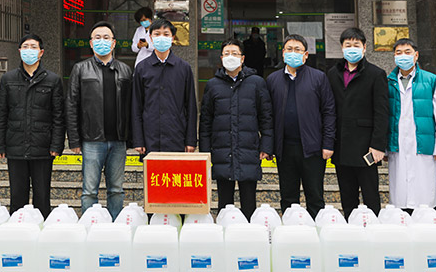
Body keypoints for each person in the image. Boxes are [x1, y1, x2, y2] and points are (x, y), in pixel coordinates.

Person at [65, 21, 133, 220]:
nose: (101, 41)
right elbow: (71, 105)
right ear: (91, 43)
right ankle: (90, 226)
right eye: (97, 37)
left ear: (113, 43)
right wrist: (74, 140)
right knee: (89, 191)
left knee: (116, 190)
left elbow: (131, 106)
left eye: (106, 37)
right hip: (91, 139)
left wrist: (131, 138)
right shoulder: (80, 69)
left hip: (118, 140)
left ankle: (115, 226)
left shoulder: (125, 70)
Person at [199, 39, 273, 219]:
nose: (230, 57)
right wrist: (205, 151)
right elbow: (206, 121)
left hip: (249, 149)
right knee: (225, 204)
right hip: (222, 151)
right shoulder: (213, 85)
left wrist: (266, 145)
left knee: (249, 202)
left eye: (234, 53)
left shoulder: (256, 83)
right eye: (226, 53)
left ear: (243, 58)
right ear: (221, 58)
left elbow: (266, 117)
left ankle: (249, 230)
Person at [0, 34, 65, 219]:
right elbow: (1, 113)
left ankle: (42, 230)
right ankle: (18, 231)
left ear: (41, 52)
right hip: (15, 146)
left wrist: (57, 145)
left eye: (33, 47)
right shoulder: (8, 79)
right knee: (17, 197)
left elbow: (58, 116)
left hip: (42, 147)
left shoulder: (53, 80)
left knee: (42, 197)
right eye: (25, 47)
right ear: (19, 51)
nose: (29, 51)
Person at [266, 34, 336, 219]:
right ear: (283, 53)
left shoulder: (318, 78)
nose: (293, 53)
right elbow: (268, 116)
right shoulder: (273, 80)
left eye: (297, 50)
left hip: (312, 148)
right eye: (289, 49)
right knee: (288, 197)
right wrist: (269, 146)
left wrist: (328, 143)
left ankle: (317, 228)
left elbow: (329, 112)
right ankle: (290, 229)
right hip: (285, 148)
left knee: (315, 196)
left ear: (305, 55)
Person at [327, 27, 388, 219]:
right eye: (348, 45)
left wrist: (378, 145)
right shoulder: (333, 73)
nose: (352, 49)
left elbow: (381, 112)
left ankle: (374, 228)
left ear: (364, 47)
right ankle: (349, 228)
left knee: (371, 196)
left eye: (356, 45)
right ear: (341, 48)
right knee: (347, 196)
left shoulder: (376, 74)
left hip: (366, 147)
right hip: (342, 145)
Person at [386, 38, 436, 212]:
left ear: (416, 55)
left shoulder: (430, 80)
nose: (403, 56)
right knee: (400, 192)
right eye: (398, 53)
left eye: (407, 52)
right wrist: (384, 147)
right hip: (397, 143)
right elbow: (384, 116)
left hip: (423, 143)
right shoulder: (388, 81)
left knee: (424, 194)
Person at [132, 18, 197, 154]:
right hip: (150, 137)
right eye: (157, 34)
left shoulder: (183, 68)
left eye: (166, 34)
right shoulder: (142, 68)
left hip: (176, 135)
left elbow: (190, 106)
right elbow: (136, 105)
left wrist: (191, 140)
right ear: (150, 38)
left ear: (172, 38)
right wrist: (138, 140)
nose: (161, 37)